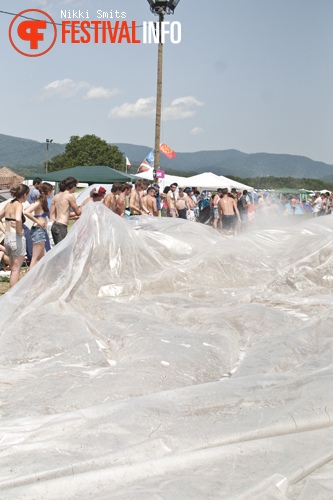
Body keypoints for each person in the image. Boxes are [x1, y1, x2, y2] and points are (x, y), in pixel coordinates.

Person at [0, 184, 30, 287]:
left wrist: (4, 231)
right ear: (24, 194)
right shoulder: (19, 205)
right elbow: (18, 219)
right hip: (16, 238)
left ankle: (11, 293)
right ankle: (13, 294)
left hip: (8, 237)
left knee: (13, 268)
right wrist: (19, 231)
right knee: (16, 269)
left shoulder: (8, 204)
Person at [24, 183, 54, 269]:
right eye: (51, 191)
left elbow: (26, 209)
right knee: (35, 258)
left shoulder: (40, 201)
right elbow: (26, 212)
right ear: (48, 191)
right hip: (38, 230)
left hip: (40, 230)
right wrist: (38, 221)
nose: (52, 193)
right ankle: (29, 279)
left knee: (40, 258)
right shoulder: (39, 201)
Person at [50, 177, 81, 245]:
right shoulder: (69, 196)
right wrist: (85, 206)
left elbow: (65, 213)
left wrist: (74, 217)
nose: (75, 188)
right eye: (76, 186)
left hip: (56, 224)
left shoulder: (59, 196)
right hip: (61, 226)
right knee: (62, 250)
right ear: (72, 186)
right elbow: (78, 212)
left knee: (58, 249)